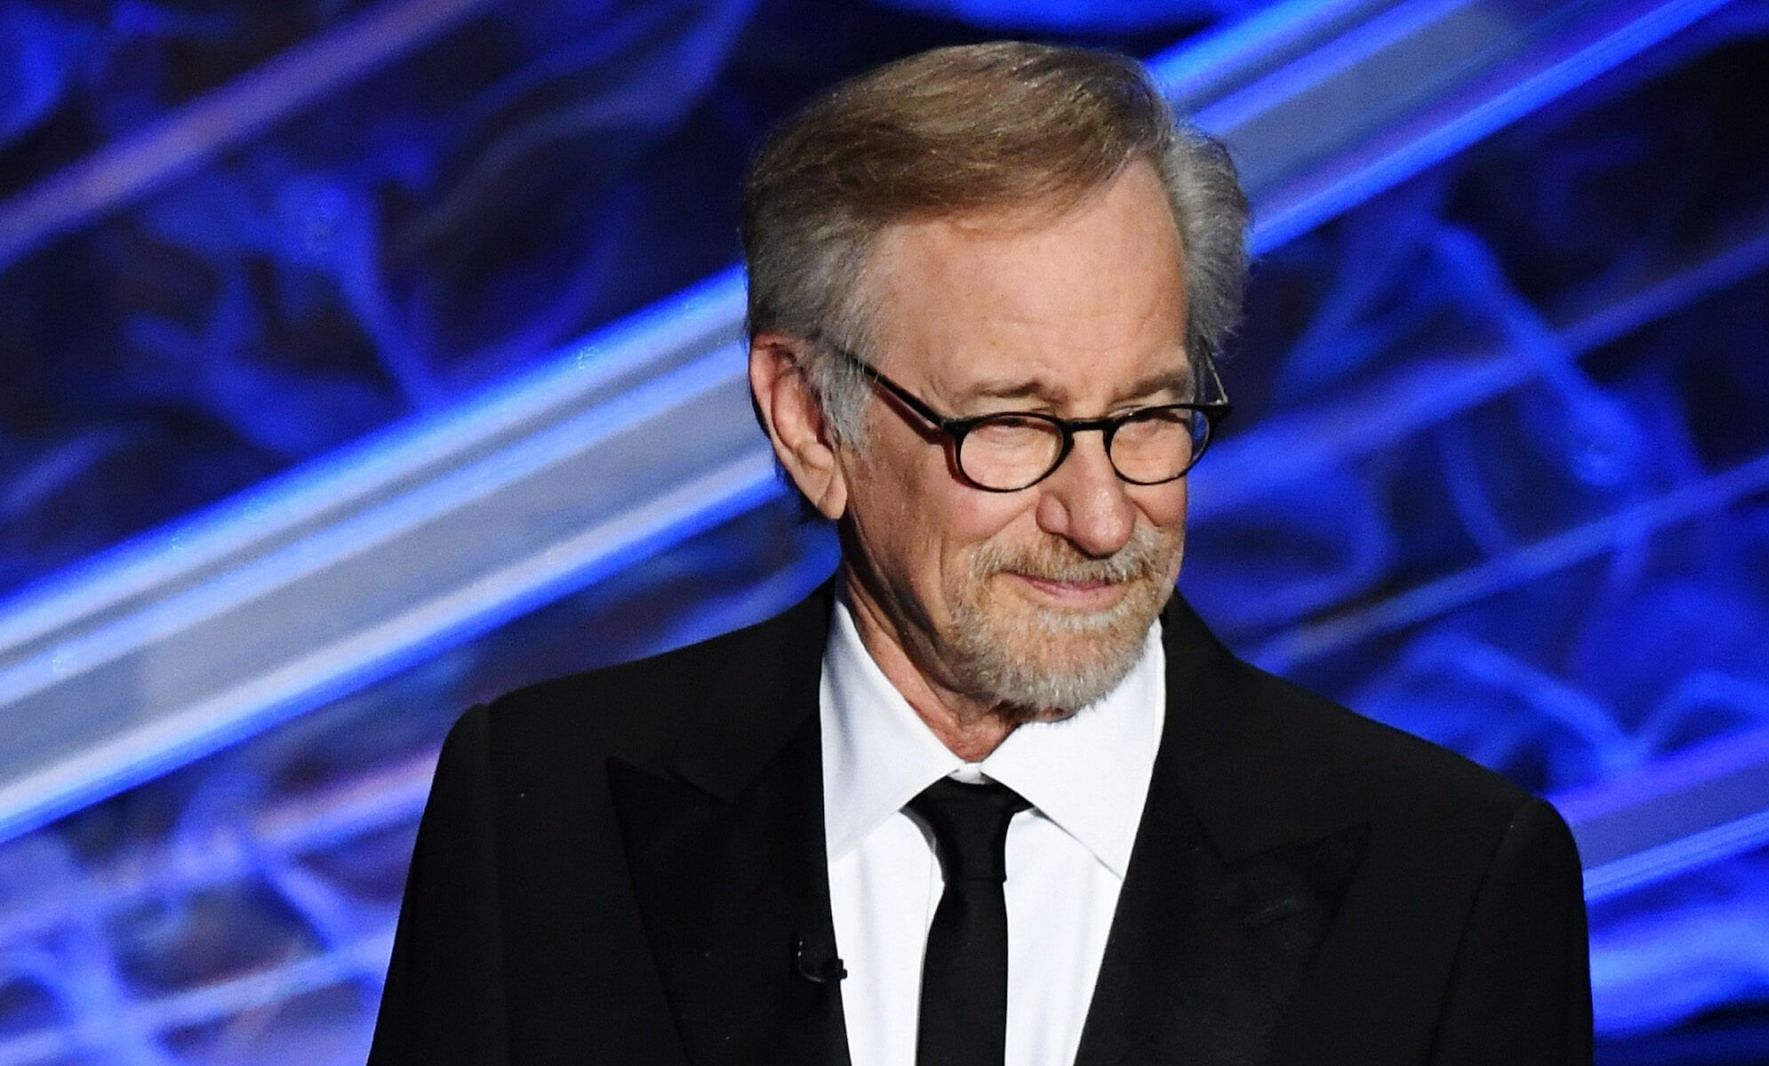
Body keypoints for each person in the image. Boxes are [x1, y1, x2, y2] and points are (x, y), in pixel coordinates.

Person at [369, 41, 1593, 1066]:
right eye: (1013, 426)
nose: (1105, 518)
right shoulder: (538, 813)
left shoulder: (1453, 881)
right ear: (809, 421)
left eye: (1149, 418)